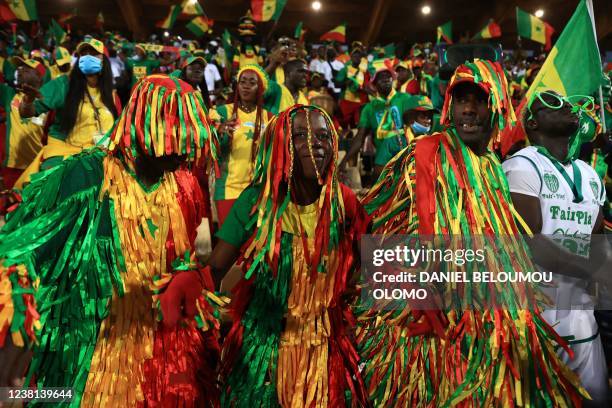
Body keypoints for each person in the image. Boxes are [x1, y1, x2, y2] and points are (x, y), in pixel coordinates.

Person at [357, 60, 588, 406]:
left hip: (482, 326)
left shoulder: (493, 165)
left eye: (479, 99)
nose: (468, 108)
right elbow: (384, 233)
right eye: (461, 99)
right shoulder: (426, 154)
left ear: (497, 105)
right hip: (430, 329)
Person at [0, 74, 221, 406]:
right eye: (175, 134)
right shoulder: (87, 175)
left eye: (191, 136)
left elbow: (186, 255)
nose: (184, 149)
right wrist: (18, 294)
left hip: (160, 356)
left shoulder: (185, 186)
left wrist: (187, 273)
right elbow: (24, 247)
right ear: (142, 123)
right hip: (90, 353)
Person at [162, 104, 368, 406]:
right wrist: (187, 285)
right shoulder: (256, 202)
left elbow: (368, 265)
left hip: (324, 351)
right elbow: (216, 268)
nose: (315, 144)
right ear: (281, 144)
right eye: (300, 135)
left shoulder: (344, 201)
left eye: (323, 136)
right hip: (264, 353)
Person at [503, 90, 611, 406]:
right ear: (533, 123)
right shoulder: (521, 165)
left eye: (566, 103)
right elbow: (531, 245)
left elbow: (597, 242)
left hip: (583, 324)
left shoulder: (590, 174)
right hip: (538, 324)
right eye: (553, 103)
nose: (566, 106)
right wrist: (597, 269)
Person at [16, 38, 120, 186]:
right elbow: (27, 113)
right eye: (83, 54)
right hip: (64, 153)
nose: (88, 58)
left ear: (105, 61)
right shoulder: (63, 84)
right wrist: (27, 101)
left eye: (94, 54)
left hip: (100, 157)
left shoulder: (111, 95)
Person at [209, 65, 271, 226]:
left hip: (256, 191)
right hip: (228, 189)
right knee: (228, 244)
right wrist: (218, 132)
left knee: (249, 245)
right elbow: (208, 146)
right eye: (242, 82)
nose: (246, 86)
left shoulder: (269, 118)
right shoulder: (221, 112)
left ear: (260, 88)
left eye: (252, 82)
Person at [339, 60, 416, 180]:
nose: (386, 79)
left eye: (388, 76)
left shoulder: (405, 99)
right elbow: (360, 137)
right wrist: (344, 160)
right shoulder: (369, 108)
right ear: (374, 84)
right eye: (381, 77)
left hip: (407, 158)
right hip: (383, 163)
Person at [0, 58, 46, 188]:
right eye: (19, 67)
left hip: (38, 167)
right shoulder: (9, 94)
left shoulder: (48, 101)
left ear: (39, 77)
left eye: (26, 69)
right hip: (12, 166)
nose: (20, 71)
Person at [374, 95, 435, 167]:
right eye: (423, 115)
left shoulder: (434, 140)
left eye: (430, 115)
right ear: (410, 117)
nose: (428, 120)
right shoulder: (393, 141)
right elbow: (378, 170)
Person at [335, 41, 369, 130]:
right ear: (351, 57)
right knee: (345, 126)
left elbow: (368, 86)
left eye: (359, 56)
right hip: (346, 102)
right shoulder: (345, 69)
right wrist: (346, 82)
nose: (356, 57)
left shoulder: (365, 71)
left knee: (358, 126)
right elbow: (337, 84)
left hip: (360, 103)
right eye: (354, 55)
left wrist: (360, 88)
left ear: (362, 58)